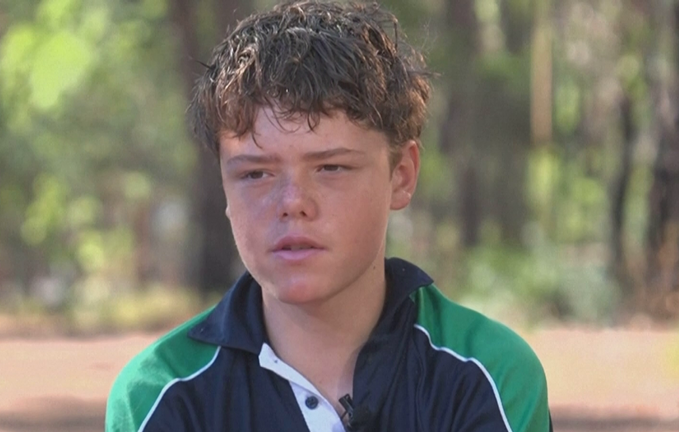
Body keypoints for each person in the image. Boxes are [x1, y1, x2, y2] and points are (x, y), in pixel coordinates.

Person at [105, 1, 553, 431]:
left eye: (331, 167)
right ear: (223, 186)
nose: (293, 201)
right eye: (256, 173)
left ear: (401, 175)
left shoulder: (485, 376)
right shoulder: (162, 394)